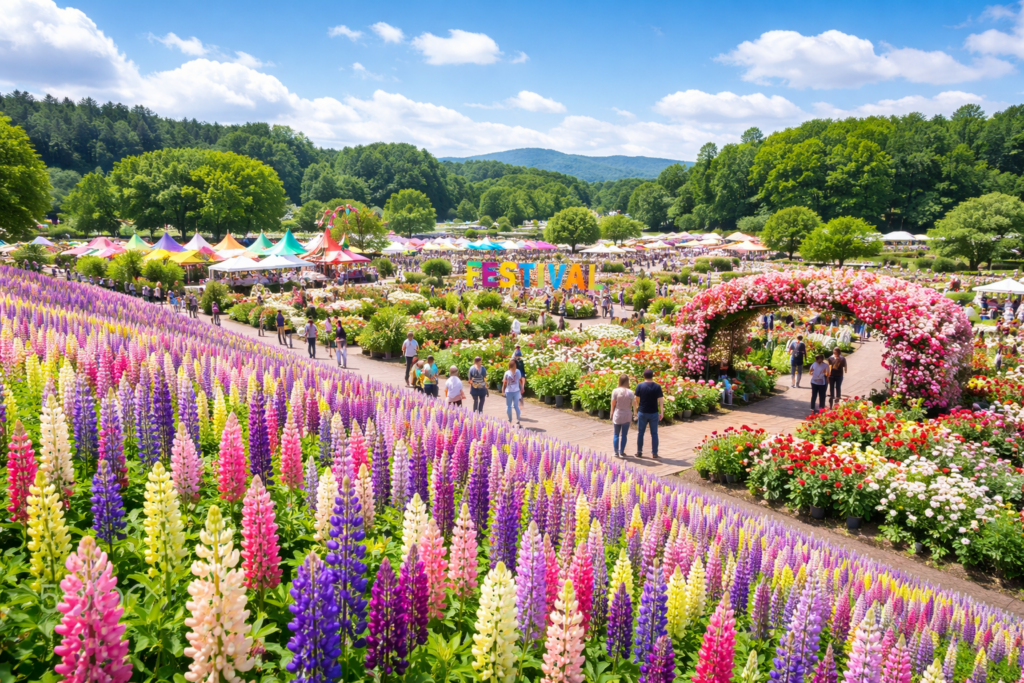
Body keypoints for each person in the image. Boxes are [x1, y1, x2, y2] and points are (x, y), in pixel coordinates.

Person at [633, 369, 663, 459]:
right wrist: (661, 412)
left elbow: (635, 399)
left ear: (644, 376)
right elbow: (661, 400)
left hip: (642, 412)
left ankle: (639, 452)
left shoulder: (640, 386)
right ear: (652, 376)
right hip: (654, 413)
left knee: (640, 433)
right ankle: (654, 453)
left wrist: (635, 412)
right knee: (654, 434)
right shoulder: (657, 386)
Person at [610, 374, 635, 458]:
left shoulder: (615, 391)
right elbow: (633, 404)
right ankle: (622, 452)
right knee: (624, 434)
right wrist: (634, 413)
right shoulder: (630, 392)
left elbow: (613, 404)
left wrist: (611, 412)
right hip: (627, 414)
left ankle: (616, 452)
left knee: (616, 434)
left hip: (618, 413)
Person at [502, 358, 524, 425]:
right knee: (516, 406)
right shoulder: (518, 371)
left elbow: (504, 383)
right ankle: (518, 420)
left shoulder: (507, 373)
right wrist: (522, 388)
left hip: (509, 391)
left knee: (508, 406)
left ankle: (510, 420)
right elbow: (520, 380)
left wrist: (502, 390)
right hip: (516, 391)